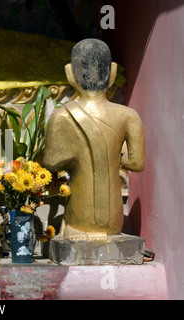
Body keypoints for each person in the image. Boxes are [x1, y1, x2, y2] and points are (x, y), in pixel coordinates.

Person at [43, 39, 145, 241]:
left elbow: (51, 163)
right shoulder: (128, 115)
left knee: (71, 225)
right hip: (113, 220)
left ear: (70, 74)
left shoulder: (62, 115)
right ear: (112, 73)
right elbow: (137, 162)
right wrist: (114, 157)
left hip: (79, 218)